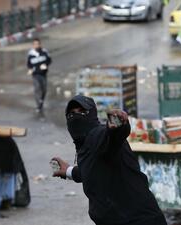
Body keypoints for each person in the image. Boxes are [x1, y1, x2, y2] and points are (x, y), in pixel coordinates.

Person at [52, 95, 167, 225]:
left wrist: (118, 124)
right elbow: (91, 170)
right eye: (71, 114)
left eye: (82, 112)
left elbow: (112, 137)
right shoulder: (84, 146)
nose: (76, 117)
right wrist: (68, 171)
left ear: (92, 115)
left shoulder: (97, 136)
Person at [27, 38, 52, 113]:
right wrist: (30, 69)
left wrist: (46, 65)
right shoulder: (31, 54)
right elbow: (29, 64)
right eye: (35, 44)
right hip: (35, 74)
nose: (36, 46)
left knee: (44, 89)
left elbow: (49, 60)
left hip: (43, 74)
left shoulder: (44, 52)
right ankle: (38, 105)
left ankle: (41, 100)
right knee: (37, 89)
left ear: (40, 44)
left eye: (38, 44)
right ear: (33, 45)